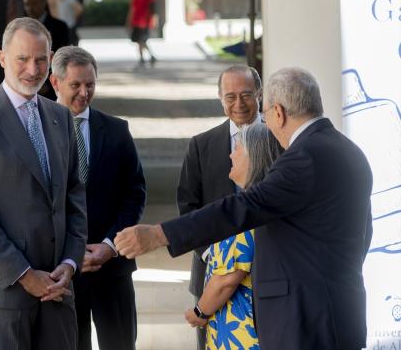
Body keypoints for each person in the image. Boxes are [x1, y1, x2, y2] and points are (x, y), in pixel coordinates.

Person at [115, 67, 373, 350]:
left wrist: (158, 234)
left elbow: (243, 207)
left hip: (306, 321)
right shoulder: (349, 150)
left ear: (278, 112)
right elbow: (364, 236)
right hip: (339, 313)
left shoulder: (303, 157)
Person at [0, 17, 87, 350]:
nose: (33, 68)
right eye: (22, 59)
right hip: (4, 294)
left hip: (58, 291)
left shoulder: (60, 118)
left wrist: (70, 263)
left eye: (41, 59)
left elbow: (75, 196)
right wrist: (24, 274)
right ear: (1, 59)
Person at [49, 46, 146, 350]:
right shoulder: (37, 131)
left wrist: (109, 246)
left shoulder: (117, 130)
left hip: (112, 268)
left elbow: (135, 193)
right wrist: (71, 253)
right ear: (55, 82)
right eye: (75, 85)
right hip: (61, 271)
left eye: (90, 84)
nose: (84, 92)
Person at [177, 64, 262, 349]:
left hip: (266, 279)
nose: (239, 104)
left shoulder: (279, 141)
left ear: (259, 94)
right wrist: (213, 254)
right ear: (219, 97)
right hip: (211, 277)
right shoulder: (201, 145)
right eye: (230, 96)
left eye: (247, 95)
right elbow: (188, 209)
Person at [184, 123, 283, 350]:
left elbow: (227, 279)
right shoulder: (264, 203)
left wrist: (199, 311)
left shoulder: (251, 210)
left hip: (243, 335)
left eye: (237, 148)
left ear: (253, 157)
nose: (231, 154)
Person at [24, 0, 71, 100]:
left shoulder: (60, 27)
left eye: (34, 4)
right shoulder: (19, 29)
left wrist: (47, 85)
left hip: (51, 90)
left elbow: (63, 60)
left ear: (43, 2)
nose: (30, 8)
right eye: (27, 4)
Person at [126, 0, 157, 68]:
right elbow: (153, 9)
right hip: (143, 21)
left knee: (141, 41)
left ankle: (147, 57)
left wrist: (128, 21)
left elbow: (132, 9)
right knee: (140, 41)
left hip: (140, 21)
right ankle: (143, 57)